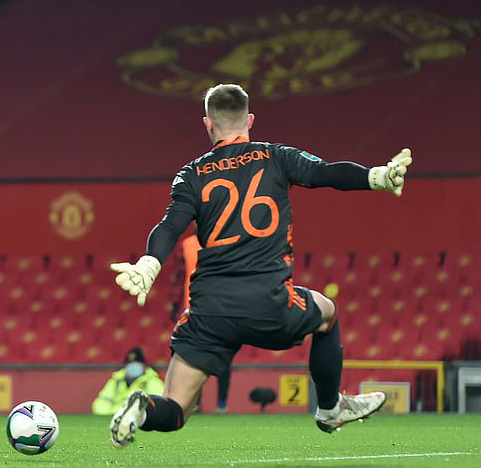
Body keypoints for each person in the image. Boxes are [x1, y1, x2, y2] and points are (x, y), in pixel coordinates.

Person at [108, 83, 410, 447]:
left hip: (210, 310)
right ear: (249, 120)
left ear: (207, 124)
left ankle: (142, 411)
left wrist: (149, 264)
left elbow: (171, 225)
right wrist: (376, 177)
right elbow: (328, 173)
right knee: (327, 313)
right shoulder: (275, 156)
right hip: (269, 303)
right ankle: (330, 408)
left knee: (176, 408)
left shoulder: (192, 174)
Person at [181, 234, 230, 413]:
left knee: (223, 357)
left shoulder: (227, 240)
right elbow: (181, 275)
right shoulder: (187, 244)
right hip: (194, 307)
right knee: (195, 357)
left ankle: (221, 404)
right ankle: (196, 403)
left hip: (220, 306)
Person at [92, 347, 164, 415]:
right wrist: (110, 416)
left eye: (137, 362)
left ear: (144, 365)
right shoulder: (116, 380)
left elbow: (158, 405)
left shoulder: (153, 381)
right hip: (115, 416)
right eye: (129, 362)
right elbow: (102, 401)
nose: (133, 365)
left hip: (140, 419)